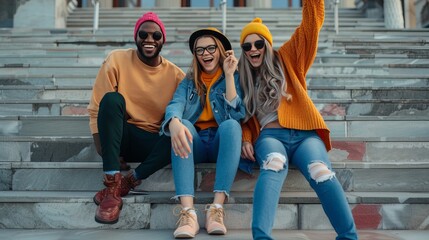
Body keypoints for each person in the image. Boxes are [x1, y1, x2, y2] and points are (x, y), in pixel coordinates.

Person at [237, 1, 358, 239]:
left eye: (258, 43)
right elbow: (240, 116)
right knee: (273, 163)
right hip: (271, 137)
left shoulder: (288, 59)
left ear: (267, 45)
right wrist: (245, 138)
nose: (253, 49)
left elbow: (311, 25)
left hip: (305, 135)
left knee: (321, 170)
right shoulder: (241, 76)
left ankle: (348, 236)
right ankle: (261, 236)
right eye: (247, 45)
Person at [87, 11, 185, 224]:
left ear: (163, 40)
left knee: (182, 132)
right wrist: (104, 150)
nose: (149, 40)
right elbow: (97, 108)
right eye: (144, 34)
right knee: (112, 99)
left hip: (152, 141)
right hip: (121, 135)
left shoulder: (176, 75)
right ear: (136, 37)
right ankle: (112, 185)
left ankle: (129, 182)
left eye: (156, 36)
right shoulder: (117, 59)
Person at [160, 27, 244, 238]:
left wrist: (229, 75)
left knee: (232, 125)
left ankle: (216, 210)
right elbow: (175, 105)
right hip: (195, 142)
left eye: (210, 48)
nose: (205, 54)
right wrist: (174, 122)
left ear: (221, 50)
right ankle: (188, 214)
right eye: (200, 50)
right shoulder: (189, 82)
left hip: (220, 143)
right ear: (195, 55)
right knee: (183, 126)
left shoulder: (233, 78)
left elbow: (237, 113)